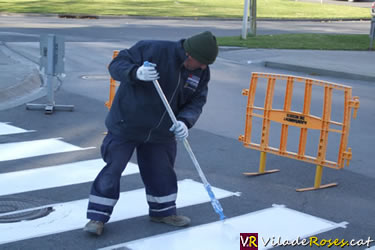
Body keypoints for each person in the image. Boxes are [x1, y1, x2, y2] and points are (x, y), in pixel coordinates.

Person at [83, 31, 219, 236]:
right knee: (113, 168)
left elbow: (196, 101)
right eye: (200, 63)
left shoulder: (201, 71)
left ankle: (162, 212)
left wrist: (184, 121)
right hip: (127, 123)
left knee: (161, 172)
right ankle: (97, 217)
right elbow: (116, 66)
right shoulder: (153, 49)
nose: (202, 68)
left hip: (162, 131)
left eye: (206, 65)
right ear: (188, 54)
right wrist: (135, 73)